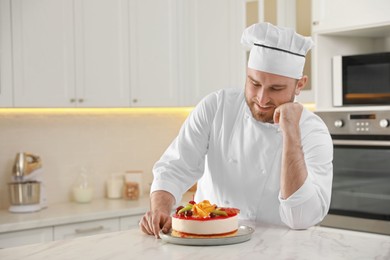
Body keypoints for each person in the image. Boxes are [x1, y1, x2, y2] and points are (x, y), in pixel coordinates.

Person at [140, 22, 333, 238]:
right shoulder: (217, 107)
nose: (261, 98)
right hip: (211, 244)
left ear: (300, 85)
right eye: (254, 83)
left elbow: (302, 218)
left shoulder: (313, 131)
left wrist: (291, 133)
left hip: (279, 250)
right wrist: (159, 209)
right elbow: (174, 168)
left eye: (275, 88)